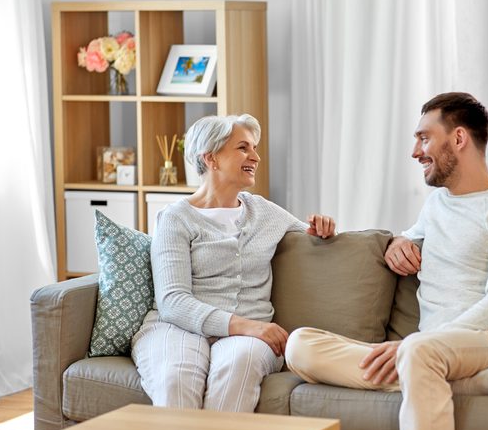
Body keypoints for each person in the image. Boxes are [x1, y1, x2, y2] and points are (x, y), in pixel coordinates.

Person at [284, 92, 488, 430]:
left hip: (482, 338)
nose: (415, 151)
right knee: (300, 345)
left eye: (424, 138)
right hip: (427, 350)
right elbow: (411, 236)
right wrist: (397, 243)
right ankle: (469, 383)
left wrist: (421, 343)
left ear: (458, 138)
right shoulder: (436, 203)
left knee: (417, 352)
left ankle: (430, 366)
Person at [131, 114, 336, 412]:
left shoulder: (264, 212)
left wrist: (325, 227)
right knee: (175, 379)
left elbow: (311, 236)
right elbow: (173, 302)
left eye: (253, 148)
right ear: (211, 158)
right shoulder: (175, 218)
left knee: (235, 375)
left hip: (250, 337)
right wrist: (247, 326)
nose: (255, 156)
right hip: (179, 327)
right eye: (243, 148)